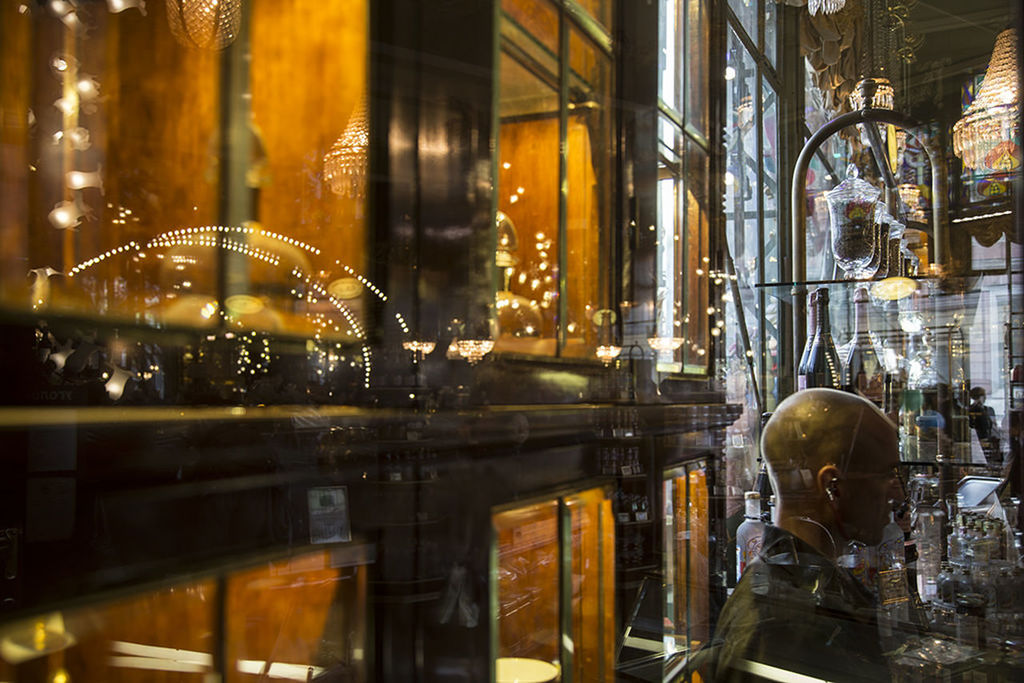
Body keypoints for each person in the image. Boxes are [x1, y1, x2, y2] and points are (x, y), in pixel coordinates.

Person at [693, 389, 906, 682]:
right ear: (833, 487)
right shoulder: (786, 625)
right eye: (887, 474)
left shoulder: (796, 591)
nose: (898, 492)